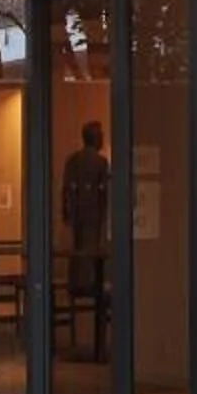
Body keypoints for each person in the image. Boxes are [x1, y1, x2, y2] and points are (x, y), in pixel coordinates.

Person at [59, 120, 112, 358]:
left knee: (81, 249)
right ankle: (89, 282)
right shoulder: (101, 163)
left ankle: (80, 281)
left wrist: (67, 212)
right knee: (90, 250)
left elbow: (66, 191)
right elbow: (104, 194)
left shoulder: (72, 161)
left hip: (80, 218)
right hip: (93, 217)